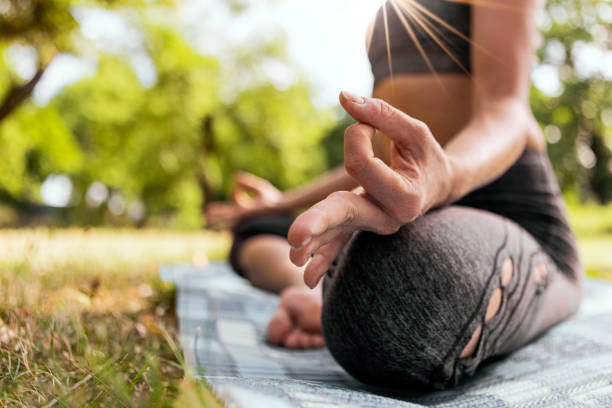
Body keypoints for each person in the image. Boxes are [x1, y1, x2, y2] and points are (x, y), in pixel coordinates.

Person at [205, 0, 583, 390]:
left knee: (396, 296)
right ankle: (306, 289)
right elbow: (383, 158)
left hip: (503, 203)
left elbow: (507, 112)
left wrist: (443, 179)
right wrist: (282, 202)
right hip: (420, 204)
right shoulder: (384, 16)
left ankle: (331, 293)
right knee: (260, 227)